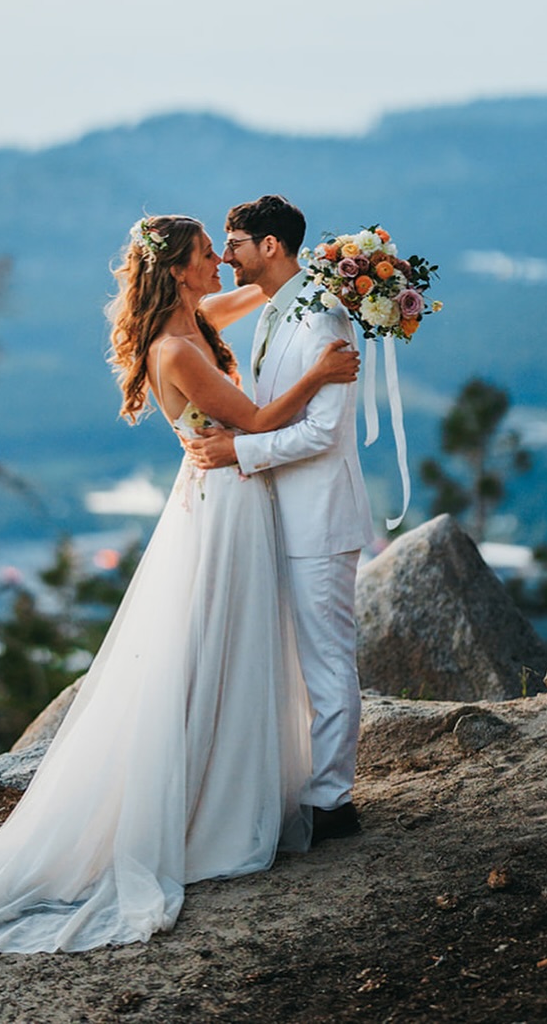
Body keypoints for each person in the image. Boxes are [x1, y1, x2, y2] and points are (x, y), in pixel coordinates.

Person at [0, 212, 358, 955]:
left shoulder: (196, 316)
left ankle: (236, 786)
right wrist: (318, 375)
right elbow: (251, 419)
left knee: (234, 645)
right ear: (180, 269)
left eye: (223, 252)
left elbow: (257, 295)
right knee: (214, 646)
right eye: (206, 255)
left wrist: (335, 275)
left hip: (230, 500)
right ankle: (209, 809)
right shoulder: (176, 350)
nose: (220, 260)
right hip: (224, 506)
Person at [185, 194, 374, 845]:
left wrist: (240, 450)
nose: (224, 255)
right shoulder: (273, 311)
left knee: (326, 660)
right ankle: (302, 786)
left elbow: (323, 431)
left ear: (270, 246)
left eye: (233, 242)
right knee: (295, 662)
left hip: (319, 514)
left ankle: (333, 801)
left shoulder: (325, 318)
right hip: (278, 513)